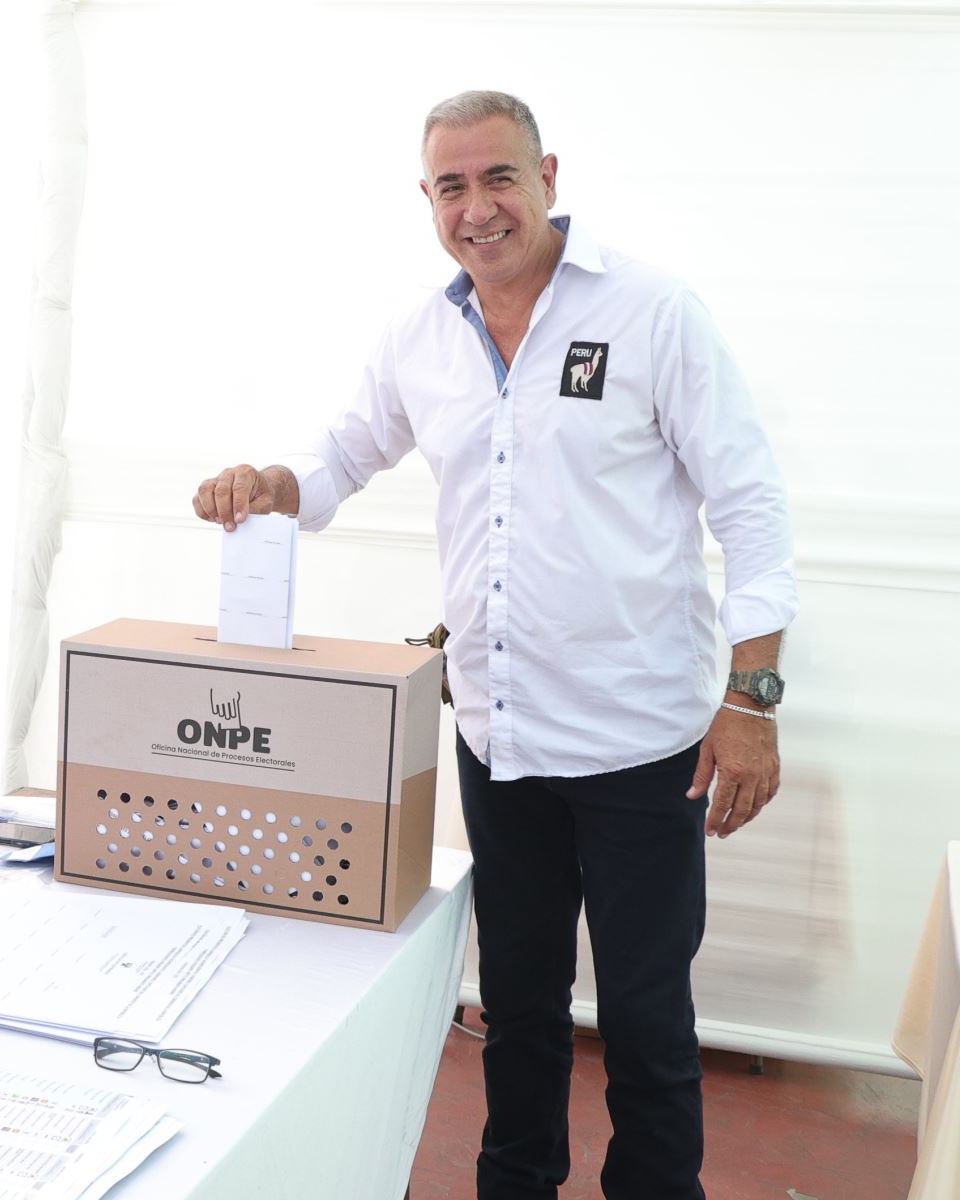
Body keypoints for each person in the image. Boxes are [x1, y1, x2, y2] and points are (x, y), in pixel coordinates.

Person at [192, 91, 795, 1199]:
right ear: (427, 201)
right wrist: (268, 485)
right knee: (514, 1008)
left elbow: (750, 508)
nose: (479, 208)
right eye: (452, 187)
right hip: (498, 738)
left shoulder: (654, 313)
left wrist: (751, 699)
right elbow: (335, 463)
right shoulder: (420, 337)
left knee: (649, 1019)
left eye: (499, 178)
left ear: (550, 176)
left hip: (642, 747)